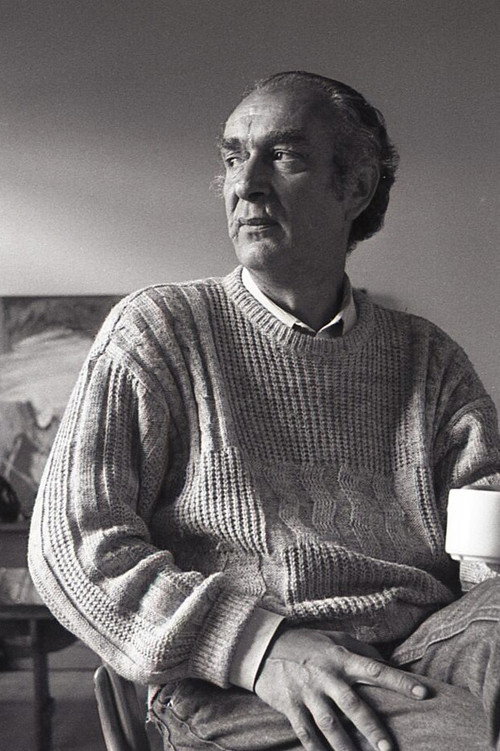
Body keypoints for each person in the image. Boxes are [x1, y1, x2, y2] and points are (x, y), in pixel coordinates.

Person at [28, 71, 500, 751]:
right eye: (232, 157)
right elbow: (74, 545)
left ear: (356, 186)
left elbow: (485, 542)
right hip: (241, 681)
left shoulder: (429, 357)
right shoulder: (158, 330)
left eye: (284, 155)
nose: (244, 184)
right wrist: (258, 646)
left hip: (421, 651)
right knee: (463, 736)